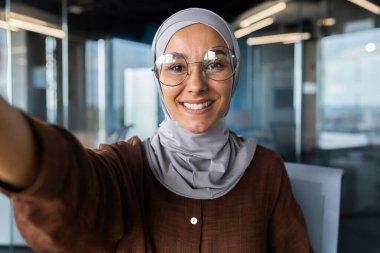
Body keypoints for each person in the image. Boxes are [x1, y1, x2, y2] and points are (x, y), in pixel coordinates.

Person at [0, 7, 312, 253]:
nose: (196, 85)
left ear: (235, 73)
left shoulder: (266, 170)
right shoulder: (125, 167)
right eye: (176, 67)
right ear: (157, 80)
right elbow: (69, 190)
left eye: (215, 64)